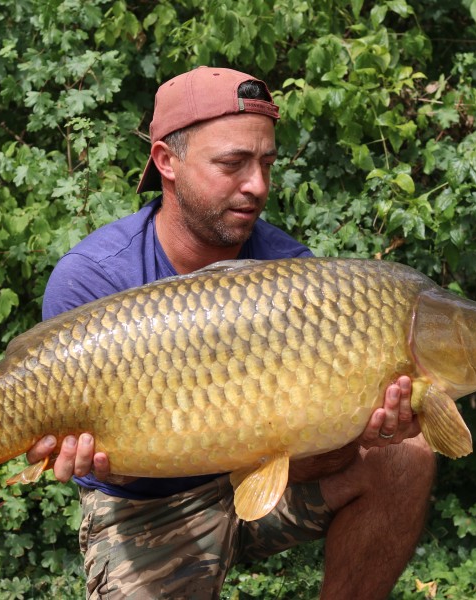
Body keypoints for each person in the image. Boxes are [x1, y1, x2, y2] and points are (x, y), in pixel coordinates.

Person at [27, 66, 436, 599]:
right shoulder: (95, 280)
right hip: (149, 504)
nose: (257, 185)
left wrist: (360, 431)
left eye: (266, 162)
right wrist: (101, 461)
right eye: (232, 164)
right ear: (166, 162)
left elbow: (313, 457)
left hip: (272, 484)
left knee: (405, 453)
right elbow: (112, 478)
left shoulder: (296, 276)